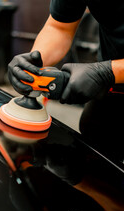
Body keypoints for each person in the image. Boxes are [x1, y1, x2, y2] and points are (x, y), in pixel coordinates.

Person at [8, 0, 124, 151]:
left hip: (109, 74)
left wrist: (108, 72)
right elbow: (59, 27)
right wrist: (32, 63)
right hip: (110, 89)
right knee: (94, 142)